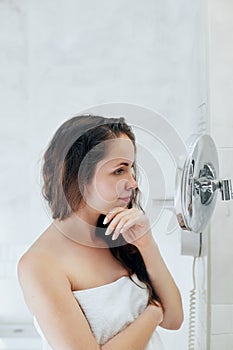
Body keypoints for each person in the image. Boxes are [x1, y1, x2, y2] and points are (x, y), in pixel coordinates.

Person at [18, 114, 183, 350]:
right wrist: (153, 312)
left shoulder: (118, 234)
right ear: (78, 176)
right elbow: (163, 313)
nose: (133, 182)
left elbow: (175, 318)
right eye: (119, 170)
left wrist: (147, 244)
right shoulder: (39, 264)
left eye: (131, 168)